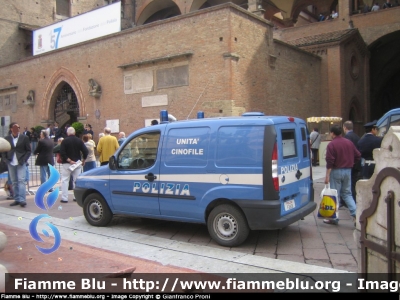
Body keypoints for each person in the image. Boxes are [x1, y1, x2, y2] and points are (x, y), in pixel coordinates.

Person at [323, 125, 360, 226]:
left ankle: (333, 217)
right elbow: (358, 155)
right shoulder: (349, 143)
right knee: (347, 193)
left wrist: (327, 175)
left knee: (335, 194)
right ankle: (356, 214)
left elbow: (330, 161)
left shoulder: (331, 145)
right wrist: (351, 163)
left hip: (336, 170)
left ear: (332, 133)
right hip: (348, 170)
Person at [1, 122, 31, 207]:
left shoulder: (24, 138)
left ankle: (22, 199)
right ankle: (17, 199)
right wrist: (5, 159)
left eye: (18, 127)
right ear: (11, 129)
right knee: (14, 182)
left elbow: (28, 150)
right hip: (11, 162)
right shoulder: (7, 138)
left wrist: (24, 159)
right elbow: (4, 150)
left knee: (21, 180)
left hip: (21, 162)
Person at [59, 127, 88, 203]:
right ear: (74, 133)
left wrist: (69, 160)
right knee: (76, 180)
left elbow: (62, 152)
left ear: (67, 133)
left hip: (67, 163)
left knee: (65, 180)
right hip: (77, 163)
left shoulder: (64, 141)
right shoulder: (79, 140)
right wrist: (83, 160)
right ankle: (76, 197)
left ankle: (64, 198)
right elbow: (85, 151)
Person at [342, 121, 362, 203]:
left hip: (349, 164)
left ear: (345, 127)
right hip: (356, 163)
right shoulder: (357, 136)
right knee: (353, 182)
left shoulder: (347, 137)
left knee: (347, 184)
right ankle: (354, 199)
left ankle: (348, 201)